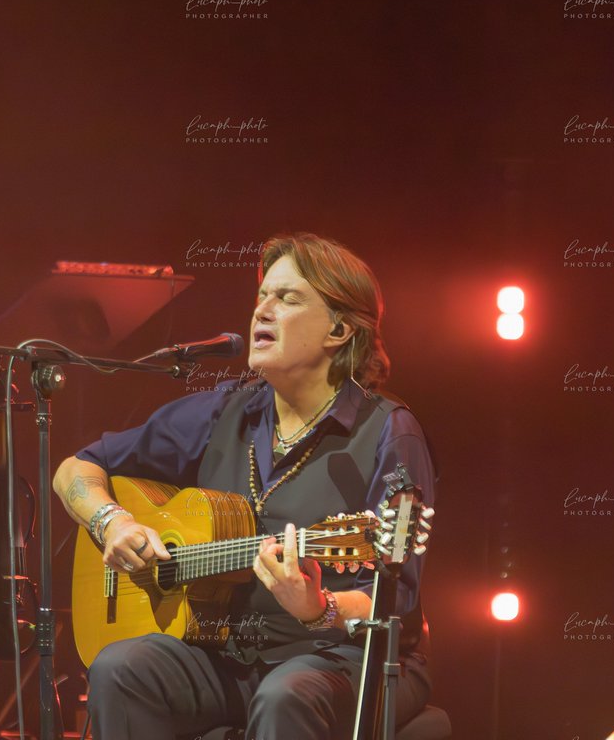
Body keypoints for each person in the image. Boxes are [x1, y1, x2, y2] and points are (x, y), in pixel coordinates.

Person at [54, 232, 436, 739]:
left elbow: (393, 600)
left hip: (342, 658)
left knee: (285, 695)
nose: (263, 310)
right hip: (229, 653)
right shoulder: (224, 411)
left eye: (288, 298)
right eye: (263, 295)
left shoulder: (388, 430)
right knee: (121, 668)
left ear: (339, 329)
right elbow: (77, 468)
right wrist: (113, 522)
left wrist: (319, 608)